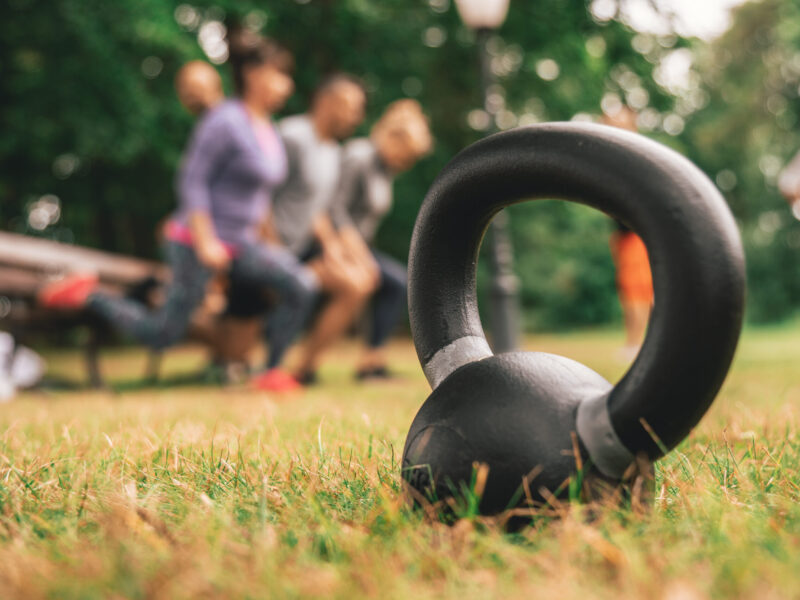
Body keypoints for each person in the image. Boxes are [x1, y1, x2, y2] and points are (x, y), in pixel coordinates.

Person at [39, 31, 318, 392]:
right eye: (280, 75)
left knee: (301, 284)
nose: (287, 85)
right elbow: (192, 183)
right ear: (253, 73)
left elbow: (258, 196)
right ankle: (89, 294)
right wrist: (205, 241)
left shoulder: (266, 128)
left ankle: (268, 373)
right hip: (195, 241)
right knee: (162, 334)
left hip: (241, 243)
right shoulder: (225, 120)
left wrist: (269, 241)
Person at [268, 74, 372, 384]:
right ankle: (270, 363)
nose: (357, 116)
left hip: (301, 250)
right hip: (270, 248)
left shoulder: (333, 151)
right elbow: (260, 198)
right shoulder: (292, 136)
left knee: (358, 283)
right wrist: (272, 253)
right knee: (233, 342)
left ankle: (303, 370)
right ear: (325, 102)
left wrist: (334, 250)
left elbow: (319, 212)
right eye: (350, 107)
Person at [328, 99, 433, 379]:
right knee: (394, 282)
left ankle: (372, 361)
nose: (406, 163)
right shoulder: (360, 156)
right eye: (406, 155)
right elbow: (335, 209)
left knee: (397, 283)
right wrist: (359, 257)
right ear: (392, 137)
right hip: (333, 242)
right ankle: (369, 362)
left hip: (360, 245)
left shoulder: (384, 168)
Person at [601, 105, 654, 359]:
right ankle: (635, 342)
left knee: (637, 289)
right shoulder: (612, 157)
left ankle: (636, 343)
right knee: (630, 289)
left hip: (637, 233)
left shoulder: (634, 153)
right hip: (623, 233)